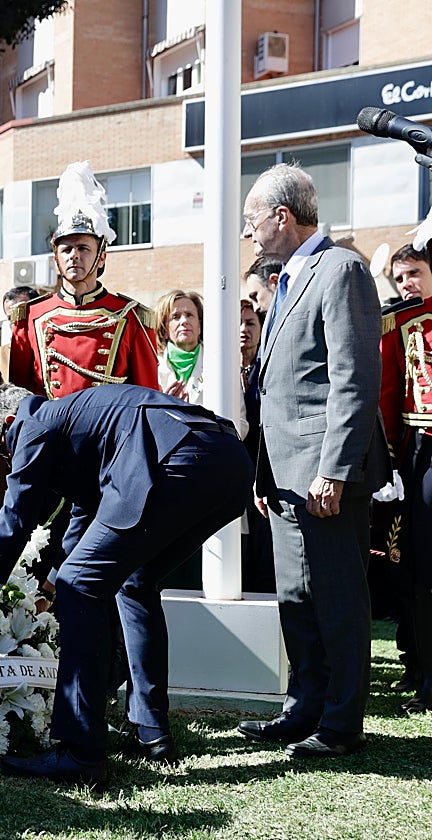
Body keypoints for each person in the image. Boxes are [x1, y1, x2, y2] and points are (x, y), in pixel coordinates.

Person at [0, 383, 252, 785]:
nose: (10, 460)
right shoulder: (77, 425)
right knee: (133, 580)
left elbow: (15, 518)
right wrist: (49, 587)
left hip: (174, 458)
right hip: (228, 462)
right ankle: (151, 731)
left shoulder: (35, 423)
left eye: (3, 449)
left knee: (80, 585)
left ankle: (79, 752)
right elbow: (88, 517)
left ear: (10, 423)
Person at [237, 162, 388, 759]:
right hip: (285, 476)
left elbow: (354, 379)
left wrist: (335, 469)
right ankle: (305, 708)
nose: (249, 233)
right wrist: (266, 472)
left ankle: (342, 723)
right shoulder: (289, 277)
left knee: (338, 600)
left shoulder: (341, 270)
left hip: (326, 476)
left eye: (253, 221)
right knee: (296, 600)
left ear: (281, 217)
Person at [8, 161, 158, 400]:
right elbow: (19, 398)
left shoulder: (130, 316)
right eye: (66, 250)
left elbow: (147, 397)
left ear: (101, 258)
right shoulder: (30, 315)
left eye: (83, 248)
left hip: (108, 434)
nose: (74, 256)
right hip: (51, 432)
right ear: (56, 259)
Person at [377, 248, 432, 713]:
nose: (406, 284)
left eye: (415, 273)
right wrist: (390, 463)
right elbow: (390, 393)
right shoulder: (398, 324)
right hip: (421, 453)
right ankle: (423, 669)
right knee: (417, 563)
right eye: (400, 277)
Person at [155, 289, 248, 437]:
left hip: (214, 451)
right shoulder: (152, 367)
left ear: (200, 325)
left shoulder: (222, 364)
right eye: (175, 317)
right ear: (165, 329)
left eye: (189, 315)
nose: (184, 321)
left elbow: (241, 422)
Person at [238, 299, 274, 593]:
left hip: (264, 465)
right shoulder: (217, 367)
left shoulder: (265, 368)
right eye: (237, 323)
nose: (242, 329)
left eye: (250, 323)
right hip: (233, 467)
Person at [0, 286, 36, 382]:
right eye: (11, 318)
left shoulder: (52, 347)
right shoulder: (0, 356)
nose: (16, 323)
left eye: (21, 315)